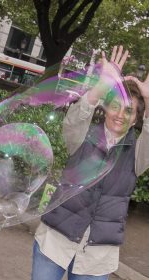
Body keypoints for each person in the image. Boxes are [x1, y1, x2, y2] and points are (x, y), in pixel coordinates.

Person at [31, 45, 149, 280]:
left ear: (136, 118)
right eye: (114, 106)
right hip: (56, 240)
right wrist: (103, 85)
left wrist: (148, 98)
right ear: (105, 108)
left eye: (129, 111)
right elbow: (75, 119)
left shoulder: (138, 154)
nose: (119, 115)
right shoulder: (82, 136)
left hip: (97, 254)